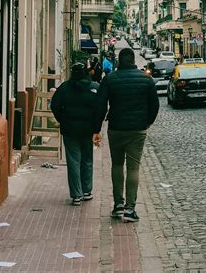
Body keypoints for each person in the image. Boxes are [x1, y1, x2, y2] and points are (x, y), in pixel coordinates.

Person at [94, 47, 159, 223]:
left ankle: (118, 205)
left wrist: (96, 129)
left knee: (116, 165)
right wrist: (148, 121)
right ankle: (130, 209)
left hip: (116, 127)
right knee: (133, 168)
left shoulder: (110, 79)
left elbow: (100, 105)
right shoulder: (146, 79)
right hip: (137, 129)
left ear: (119, 60)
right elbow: (154, 105)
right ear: (133, 60)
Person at [50, 62, 100, 206]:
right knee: (87, 160)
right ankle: (87, 191)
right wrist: (96, 128)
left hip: (70, 129)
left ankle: (76, 195)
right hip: (88, 129)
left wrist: (62, 119)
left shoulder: (65, 87)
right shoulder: (94, 88)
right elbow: (100, 108)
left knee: (73, 161)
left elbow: (54, 105)